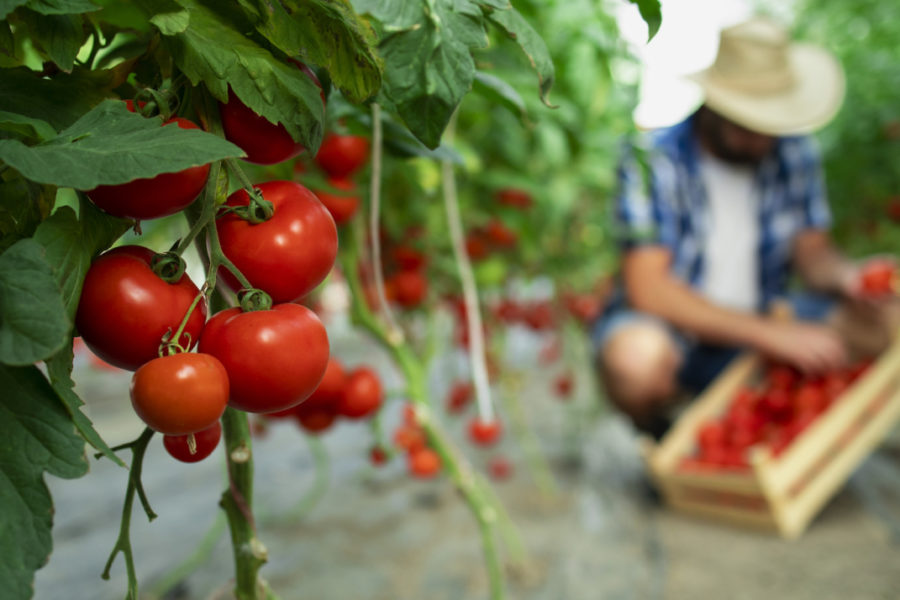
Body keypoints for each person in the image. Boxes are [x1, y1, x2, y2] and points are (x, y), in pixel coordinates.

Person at [593, 16, 897, 439]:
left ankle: (765, 419)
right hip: (680, 335)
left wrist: (850, 277)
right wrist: (773, 334)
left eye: (770, 124)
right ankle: (667, 428)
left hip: (763, 320)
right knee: (634, 361)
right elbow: (649, 288)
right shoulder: (650, 160)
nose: (762, 139)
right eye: (748, 124)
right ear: (715, 105)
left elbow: (813, 254)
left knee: (889, 320)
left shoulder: (792, 153)